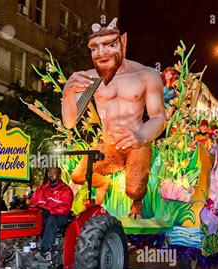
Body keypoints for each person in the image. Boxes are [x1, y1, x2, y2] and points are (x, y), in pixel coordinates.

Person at [62, 18, 166, 219]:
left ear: (123, 42)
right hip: (109, 146)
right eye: (95, 48)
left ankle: (137, 204)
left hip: (136, 143)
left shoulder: (146, 75)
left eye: (110, 44)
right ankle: (104, 184)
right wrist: (67, 94)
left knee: (134, 189)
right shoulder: (91, 79)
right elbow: (70, 122)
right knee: (78, 175)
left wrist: (140, 136)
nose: (102, 53)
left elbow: (159, 117)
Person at [31, 167, 74, 261]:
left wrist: (49, 209)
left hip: (60, 216)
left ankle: (45, 251)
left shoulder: (66, 190)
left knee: (51, 220)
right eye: (49, 172)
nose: (50, 174)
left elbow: (65, 208)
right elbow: (34, 201)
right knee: (31, 219)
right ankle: (29, 245)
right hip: (44, 213)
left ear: (59, 176)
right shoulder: (42, 189)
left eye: (53, 172)